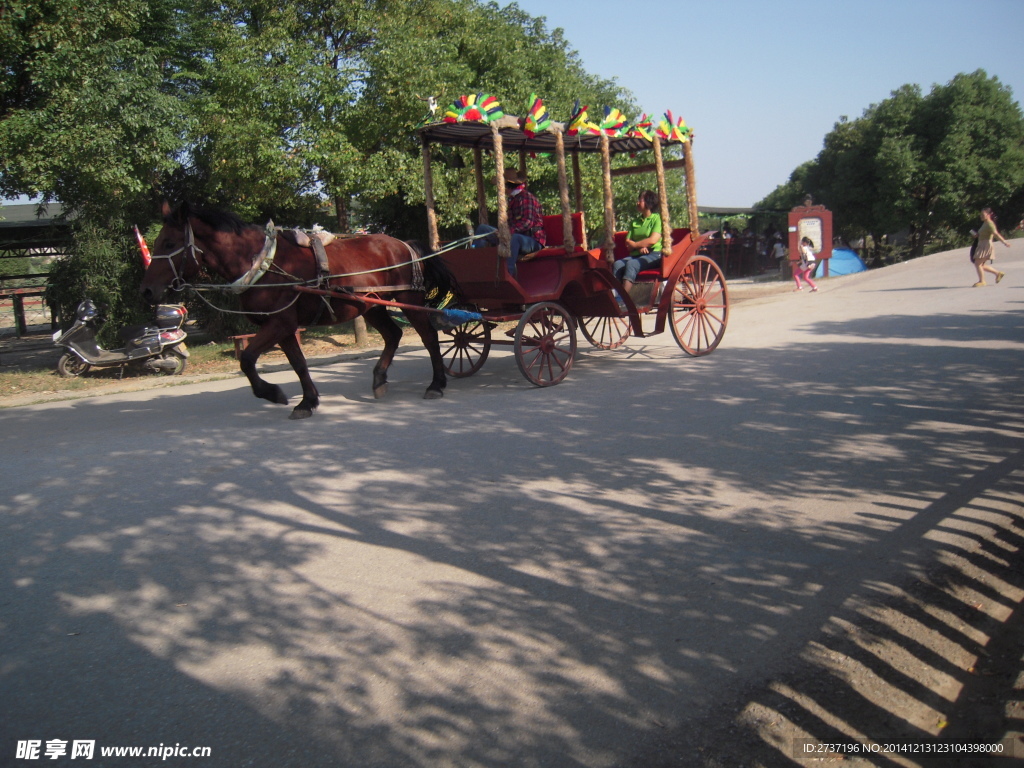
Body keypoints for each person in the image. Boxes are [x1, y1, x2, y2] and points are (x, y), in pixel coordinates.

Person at [473, 168, 545, 278]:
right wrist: (501, 232)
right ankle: (478, 266)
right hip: (511, 236)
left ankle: (508, 274)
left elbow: (527, 222)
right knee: (483, 229)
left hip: (532, 240)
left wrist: (507, 232)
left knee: (514, 238)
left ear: (507, 186)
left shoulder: (527, 198)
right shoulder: (512, 199)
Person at [613, 190, 663, 297]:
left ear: (648, 203)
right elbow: (627, 242)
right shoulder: (635, 222)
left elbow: (653, 240)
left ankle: (623, 300)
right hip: (637, 254)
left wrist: (635, 245)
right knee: (617, 264)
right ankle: (615, 296)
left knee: (632, 265)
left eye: (640, 200)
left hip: (654, 254)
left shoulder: (657, 219)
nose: (637, 203)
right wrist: (639, 248)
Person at [971, 207, 1009, 286]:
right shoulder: (985, 223)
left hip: (986, 244)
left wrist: (1004, 242)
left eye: (983, 214)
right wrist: (977, 235)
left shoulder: (990, 223)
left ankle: (982, 281)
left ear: (989, 214)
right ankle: (998, 273)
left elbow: (996, 234)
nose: (981, 216)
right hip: (981, 244)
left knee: (978, 264)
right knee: (980, 264)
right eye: (980, 215)